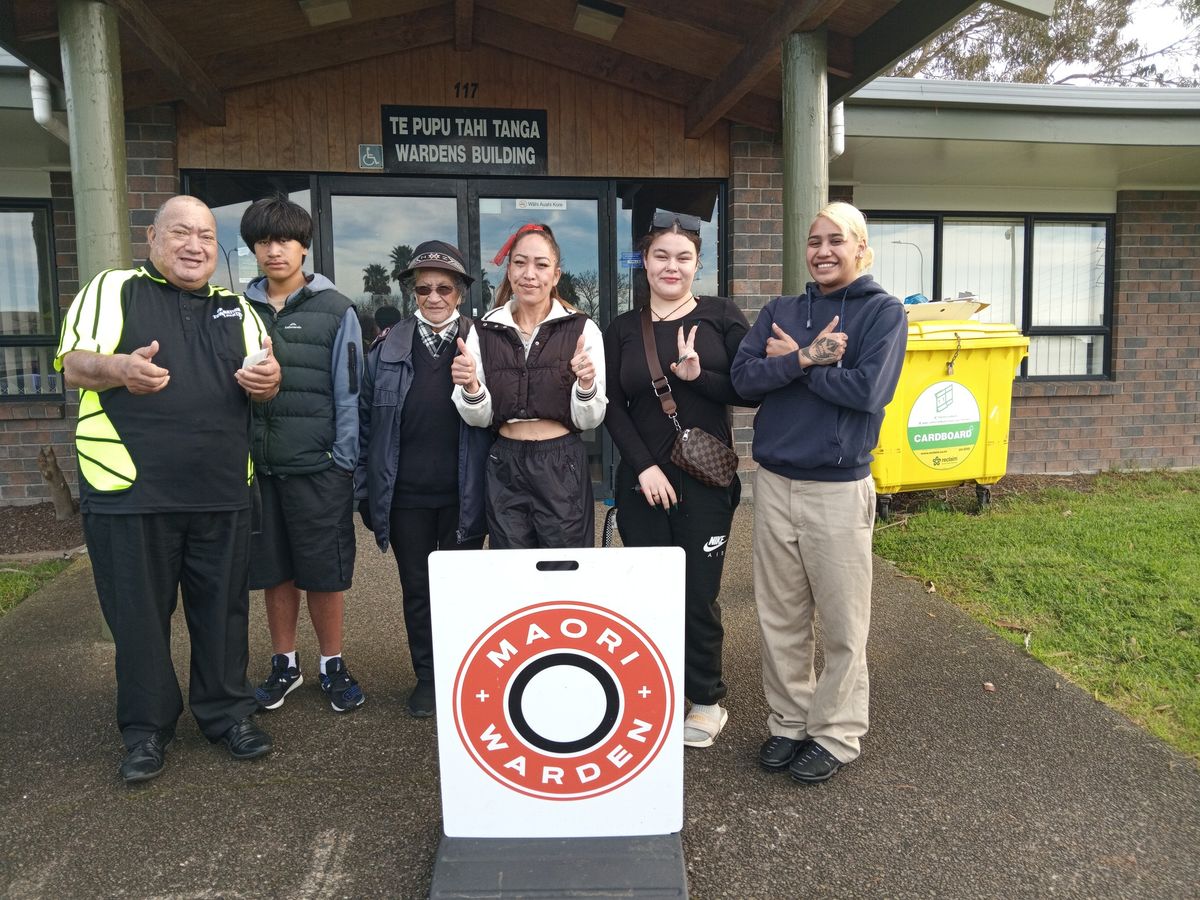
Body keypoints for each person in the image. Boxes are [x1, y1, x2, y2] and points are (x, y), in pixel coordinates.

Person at [55, 195, 281, 784]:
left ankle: (227, 715)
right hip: (130, 490)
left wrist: (268, 382)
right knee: (138, 617)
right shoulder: (113, 288)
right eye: (180, 232)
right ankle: (147, 730)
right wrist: (121, 370)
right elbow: (74, 365)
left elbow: (265, 381)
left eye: (206, 236)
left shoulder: (240, 309)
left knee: (224, 614)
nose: (194, 245)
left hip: (223, 490)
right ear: (152, 237)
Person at [730, 201, 907, 784]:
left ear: (860, 247)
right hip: (775, 483)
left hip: (838, 488)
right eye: (814, 241)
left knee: (841, 622)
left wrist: (795, 366)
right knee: (780, 616)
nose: (823, 251)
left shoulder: (880, 314)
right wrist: (810, 357)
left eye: (836, 240)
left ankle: (835, 732)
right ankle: (789, 721)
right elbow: (743, 380)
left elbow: (867, 391)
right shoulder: (782, 309)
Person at [602, 210, 755, 749]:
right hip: (643, 482)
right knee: (648, 592)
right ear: (644, 262)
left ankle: (707, 700)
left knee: (698, 593)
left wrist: (699, 376)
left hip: (706, 481)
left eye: (683, 257)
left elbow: (750, 388)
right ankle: (656, 688)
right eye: (661, 255)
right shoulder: (622, 327)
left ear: (698, 264)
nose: (672, 266)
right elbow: (611, 404)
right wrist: (643, 466)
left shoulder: (721, 317)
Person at [239, 197, 365, 715]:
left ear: (304, 247)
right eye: (264, 241)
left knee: (324, 572)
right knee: (275, 572)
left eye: (284, 240)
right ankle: (284, 663)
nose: (274, 250)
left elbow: (351, 391)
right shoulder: (237, 310)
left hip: (319, 468)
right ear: (253, 248)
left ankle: (332, 664)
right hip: (261, 469)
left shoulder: (337, 310)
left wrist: (342, 461)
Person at [356, 240, 491, 717]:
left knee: (460, 590)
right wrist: (366, 493)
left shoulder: (484, 343)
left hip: (464, 494)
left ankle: (463, 673)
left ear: (461, 293)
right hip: (406, 496)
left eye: (445, 288)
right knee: (417, 587)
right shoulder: (386, 349)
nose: (434, 297)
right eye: (424, 288)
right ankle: (429, 678)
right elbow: (366, 424)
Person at [452, 223, 606, 548]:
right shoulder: (484, 331)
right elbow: (477, 418)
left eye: (541, 264)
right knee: (512, 575)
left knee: (565, 569)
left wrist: (587, 384)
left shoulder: (581, 328)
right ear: (509, 271)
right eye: (520, 263)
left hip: (561, 463)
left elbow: (589, 419)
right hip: (505, 462)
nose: (529, 274)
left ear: (556, 274)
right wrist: (471, 388)